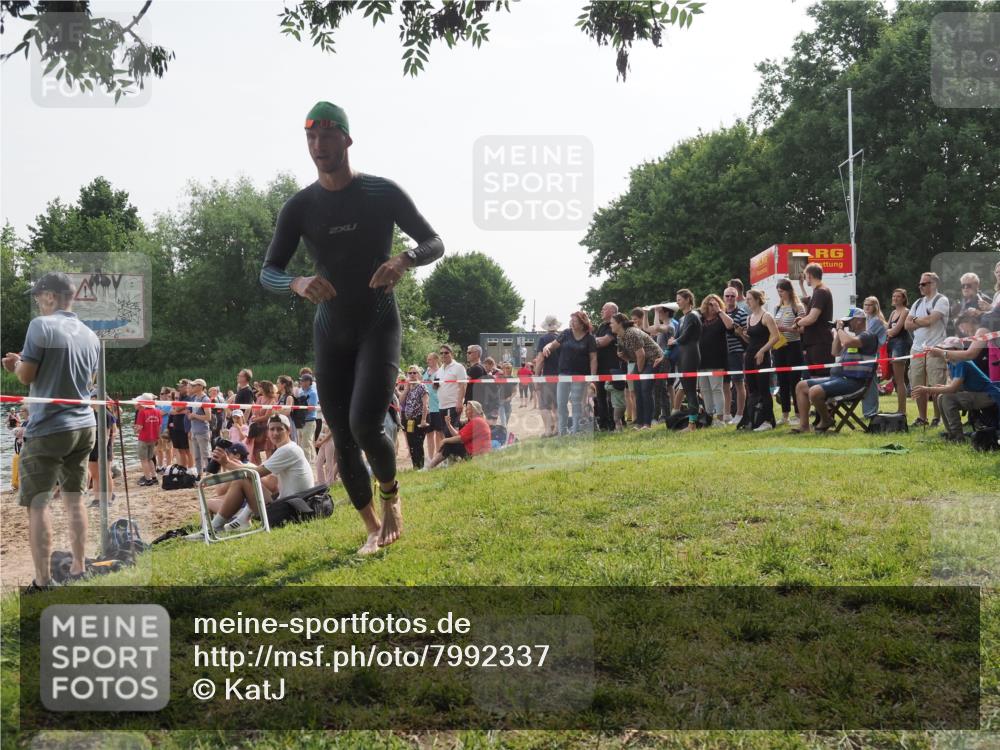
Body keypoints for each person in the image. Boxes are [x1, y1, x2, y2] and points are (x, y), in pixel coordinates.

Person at [261, 102, 444, 554]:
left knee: (365, 424)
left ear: (346, 139)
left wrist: (404, 260)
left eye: (326, 136)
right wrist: (297, 282)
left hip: (378, 324)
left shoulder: (381, 192)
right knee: (341, 436)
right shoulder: (300, 206)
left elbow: (434, 242)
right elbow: (268, 271)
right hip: (331, 330)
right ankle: (371, 527)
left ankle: (392, 495)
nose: (317, 145)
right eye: (310, 137)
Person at [2, 272, 100, 592]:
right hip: (84, 425)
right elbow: (89, 383)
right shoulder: (90, 335)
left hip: (49, 428)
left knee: (38, 504)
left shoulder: (40, 326)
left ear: (50, 296)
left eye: (37, 297)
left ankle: (43, 582)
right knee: (75, 500)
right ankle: (79, 567)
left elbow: (26, 376)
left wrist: (15, 364)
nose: (37, 302)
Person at [206, 414, 316, 529]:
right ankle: (240, 519)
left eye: (280, 429)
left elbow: (255, 473)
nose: (275, 433)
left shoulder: (288, 450)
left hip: (291, 510)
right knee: (246, 479)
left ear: (289, 431)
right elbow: (270, 484)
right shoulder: (288, 448)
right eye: (272, 429)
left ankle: (215, 527)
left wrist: (227, 464)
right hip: (295, 505)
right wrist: (234, 465)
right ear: (267, 432)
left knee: (243, 479)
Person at [792, 308, 878, 434]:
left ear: (859, 321)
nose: (847, 324)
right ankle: (804, 426)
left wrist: (840, 328)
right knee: (801, 386)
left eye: (849, 321)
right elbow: (834, 351)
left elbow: (848, 342)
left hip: (854, 382)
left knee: (814, 391)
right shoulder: (853, 338)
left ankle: (826, 420)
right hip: (839, 379)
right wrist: (838, 332)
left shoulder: (868, 336)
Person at [914, 337, 1000, 442]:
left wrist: (928, 389)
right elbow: (956, 386)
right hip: (980, 394)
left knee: (947, 398)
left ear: (956, 350)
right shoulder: (952, 363)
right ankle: (951, 433)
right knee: (941, 397)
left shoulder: (961, 362)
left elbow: (953, 388)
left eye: (947, 349)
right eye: (943, 349)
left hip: (990, 395)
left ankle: (957, 437)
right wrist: (940, 389)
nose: (943, 352)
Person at [541, 311, 598, 436]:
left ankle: (575, 430)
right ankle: (562, 431)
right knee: (561, 403)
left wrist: (592, 378)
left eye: (574, 321)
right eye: (571, 320)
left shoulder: (590, 338)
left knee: (576, 402)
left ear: (582, 323)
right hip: (563, 374)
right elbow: (553, 345)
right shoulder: (566, 333)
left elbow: (593, 358)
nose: (571, 323)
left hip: (580, 374)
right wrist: (547, 347)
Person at [905, 271, 950, 427]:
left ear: (934, 284)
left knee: (936, 384)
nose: (920, 286)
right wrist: (920, 320)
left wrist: (915, 320)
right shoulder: (918, 303)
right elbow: (906, 325)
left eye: (924, 284)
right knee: (917, 385)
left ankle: (937, 418)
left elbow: (930, 320)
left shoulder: (941, 300)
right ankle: (922, 418)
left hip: (936, 347)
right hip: (917, 348)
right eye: (920, 284)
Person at [610, 312, 661, 429]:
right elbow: (632, 358)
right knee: (637, 391)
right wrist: (624, 357)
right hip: (642, 361)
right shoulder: (620, 336)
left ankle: (647, 423)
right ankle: (639, 423)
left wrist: (640, 371)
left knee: (645, 390)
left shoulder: (631, 333)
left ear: (620, 324)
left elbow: (641, 355)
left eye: (612, 323)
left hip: (653, 360)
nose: (610, 325)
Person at [739, 289, 781, 431]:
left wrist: (763, 350)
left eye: (749, 299)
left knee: (763, 389)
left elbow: (776, 336)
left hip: (762, 356)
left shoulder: (766, 316)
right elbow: (750, 340)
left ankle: (768, 421)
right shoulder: (749, 318)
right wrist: (741, 334)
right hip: (750, 356)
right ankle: (754, 419)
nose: (747, 302)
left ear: (757, 300)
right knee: (752, 389)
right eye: (747, 299)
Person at [668, 289, 702, 431]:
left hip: (691, 355)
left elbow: (685, 336)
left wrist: (674, 341)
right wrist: (664, 355)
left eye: (680, 299)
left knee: (691, 391)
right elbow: (675, 337)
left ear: (688, 299)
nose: (678, 302)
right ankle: (692, 422)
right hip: (682, 356)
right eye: (677, 300)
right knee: (687, 390)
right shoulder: (682, 318)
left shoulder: (693, 315)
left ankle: (692, 424)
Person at [773, 279, 806, 425]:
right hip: (779, 347)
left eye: (782, 291)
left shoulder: (798, 307)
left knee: (795, 381)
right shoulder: (777, 308)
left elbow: (802, 329)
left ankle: (798, 414)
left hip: (793, 346)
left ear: (789, 291)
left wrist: (786, 329)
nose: (780, 294)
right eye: (778, 291)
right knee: (782, 381)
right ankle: (785, 415)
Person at [426, 400, 492, 468]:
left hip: (476, 454)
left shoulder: (476, 421)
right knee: (449, 444)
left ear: (474, 411)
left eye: (468, 409)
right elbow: (458, 435)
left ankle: (430, 467)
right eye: (466, 409)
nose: (465, 411)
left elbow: (460, 439)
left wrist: (444, 440)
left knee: (448, 444)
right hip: (477, 452)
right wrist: (448, 424)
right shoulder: (478, 420)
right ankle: (436, 465)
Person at [795, 262, 835, 369]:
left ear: (809, 275)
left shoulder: (821, 292)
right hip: (816, 343)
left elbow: (812, 318)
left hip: (820, 344)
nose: (805, 278)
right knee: (815, 376)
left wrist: (798, 323)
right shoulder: (818, 292)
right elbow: (810, 313)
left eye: (805, 276)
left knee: (821, 377)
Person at [697, 294, 728, 425]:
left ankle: (720, 418)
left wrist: (719, 311)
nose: (712, 306)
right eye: (710, 304)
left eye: (715, 304)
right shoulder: (700, 319)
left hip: (717, 360)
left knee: (716, 388)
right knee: (704, 390)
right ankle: (709, 417)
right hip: (701, 360)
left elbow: (731, 326)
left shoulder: (721, 318)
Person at [721, 286, 748, 424]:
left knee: (738, 383)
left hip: (736, 352)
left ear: (737, 297)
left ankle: (739, 414)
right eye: (727, 296)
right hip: (722, 353)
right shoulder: (720, 313)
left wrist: (739, 333)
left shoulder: (742, 313)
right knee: (725, 384)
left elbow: (746, 335)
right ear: (723, 297)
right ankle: (726, 414)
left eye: (732, 296)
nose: (729, 298)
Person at [593, 302, 620, 431]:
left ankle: (614, 423)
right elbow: (598, 341)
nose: (601, 311)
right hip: (600, 366)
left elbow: (604, 341)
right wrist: (595, 341)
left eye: (604, 309)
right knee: (600, 397)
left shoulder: (614, 326)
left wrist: (590, 341)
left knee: (611, 397)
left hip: (611, 367)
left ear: (612, 311)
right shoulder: (601, 326)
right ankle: (603, 424)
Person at [534, 315, 563, 437]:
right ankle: (557, 429)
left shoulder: (543, 339)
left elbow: (540, 359)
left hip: (548, 376)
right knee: (557, 404)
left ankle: (548, 430)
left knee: (544, 405)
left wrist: (536, 376)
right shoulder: (561, 338)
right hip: (562, 376)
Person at [86, 392, 116, 508]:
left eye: (91, 398)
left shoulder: (106, 414)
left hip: (103, 448)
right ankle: (97, 498)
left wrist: (102, 452)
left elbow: (107, 435)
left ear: (96, 399)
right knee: (95, 474)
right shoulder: (91, 413)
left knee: (106, 474)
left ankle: (108, 499)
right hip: (92, 447)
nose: (89, 401)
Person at [861, 297, 889, 418]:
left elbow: (865, 336)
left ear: (875, 307)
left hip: (871, 354)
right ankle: (868, 411)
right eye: (865, 304)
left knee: (871, 383)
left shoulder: (876, 320)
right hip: (866, 353)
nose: (867, 307)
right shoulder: (867, 319)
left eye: (870, 305)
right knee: (867, 382)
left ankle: (871, 412)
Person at [885, 289, 911, 415]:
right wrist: (888, 331)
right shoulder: (893, 312)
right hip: (892, 345)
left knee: (900, 380)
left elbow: (895, 331)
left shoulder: (905, 311)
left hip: (901, 345)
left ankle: (902, 411)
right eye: (893, 296)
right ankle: (899, 410)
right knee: (896, 379)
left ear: (904, 298)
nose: (895, 298)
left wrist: (888, 331)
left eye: (898, 296)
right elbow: (888, 329)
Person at [399, 364, 430, 469]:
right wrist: (406, 389)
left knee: (418, 443)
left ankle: (420, 466)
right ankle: (415, 467)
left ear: (418, 374)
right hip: (409, 420)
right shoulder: (409, 387)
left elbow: (425, 404)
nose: (412, 375)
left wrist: (423, 420)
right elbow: (401, 401)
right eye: (410, 373)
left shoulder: (422, 386)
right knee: (411, 444)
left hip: (420, 418)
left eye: (414, 373)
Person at [434, 344, 467, 431]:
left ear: (451, 354)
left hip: (453, 405)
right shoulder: (440, 370)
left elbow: (463, 385)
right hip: (441, 405)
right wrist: (435, 385)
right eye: (441, 353)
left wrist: (459, 402)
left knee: (451, 432)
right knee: (445, 432)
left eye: (446, 352)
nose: (443, 355)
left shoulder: (458, 367)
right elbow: (436, 387)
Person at [187, 378, 213, 476]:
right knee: (197, 456)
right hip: (194, 430)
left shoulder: (205, 399)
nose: (192, 387)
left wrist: (194, 415)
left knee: (205, 455)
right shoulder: (195, 398)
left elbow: (208, 417)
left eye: (194, 385)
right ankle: (199, 474)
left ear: (201, 387)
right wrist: (191, 416)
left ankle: (209, 474)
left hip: (202, 431)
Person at [135, 394, 161, 487]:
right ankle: (154, 477)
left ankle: (148, 479)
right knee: (150, 458)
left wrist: (135, 429)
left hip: (144, 438)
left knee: (144, 460)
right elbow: (159, 425)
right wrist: (158, 437)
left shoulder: (142, 412)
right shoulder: (157, 411)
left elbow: (139, 427)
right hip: (153, 438)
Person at [249, 380, 278, 462]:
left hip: (266, 427)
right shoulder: (259, 398)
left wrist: (255, 419)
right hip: (257, 428)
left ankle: (269, 468)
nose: (258, 388)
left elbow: (267, 416)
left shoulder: (272, 400)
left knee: (268, 449)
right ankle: (259, 467)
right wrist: (255, 418)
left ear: (264, 388)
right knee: (255, 449)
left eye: (260, 387)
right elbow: (255, 411)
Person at [168, 379, 194, 469]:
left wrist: (177, 409)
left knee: (187, 450)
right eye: (179, 386)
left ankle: (190, 469)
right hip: (177, 426)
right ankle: (184, 468)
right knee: (180, 449)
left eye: (181, 386)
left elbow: (177, 409)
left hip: (184, 427)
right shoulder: (180, 398)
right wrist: (180, 410)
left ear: (187, 387)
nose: (179, 388)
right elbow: (172, 411)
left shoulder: (188, 398)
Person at [423, 351, 443, 460]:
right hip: (427, 407)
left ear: (436, 360)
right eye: (427, 359)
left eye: (430, 359)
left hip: (438, 406)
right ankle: (431, 458)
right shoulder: (426, 371)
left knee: (439, 433)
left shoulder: (440, 372)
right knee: (429, 434)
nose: (428, 361)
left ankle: (438, 457)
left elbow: (436, 387)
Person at [297, 372, 320, 465]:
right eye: (301, 381)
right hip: (301, 420)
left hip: (309, 421)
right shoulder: (301, 392)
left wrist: (299, 410)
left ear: (308, 382)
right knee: (303, 443)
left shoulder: (313, 393)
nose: (301, 382)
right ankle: (311, 460)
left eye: (302, 381)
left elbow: (311, 408)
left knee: (306, 443)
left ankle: (306, 463)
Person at [498, 361, 516, 426]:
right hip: (500, 401)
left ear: (510, 369)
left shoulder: (512, 378)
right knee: (503, 420)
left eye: (508, 368)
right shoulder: (499, 377)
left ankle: (503, 429)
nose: (506, 369)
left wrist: (510, 397)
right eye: (504, 368)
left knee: (507, 418)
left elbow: (515, 391)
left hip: (508, 401)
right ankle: (503, 428)